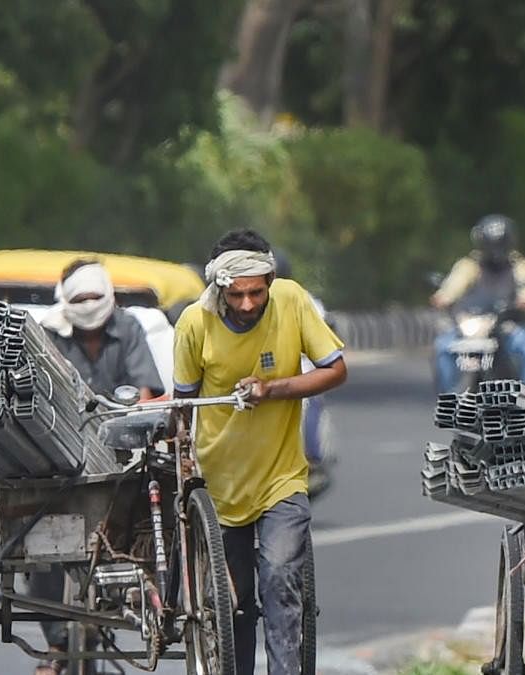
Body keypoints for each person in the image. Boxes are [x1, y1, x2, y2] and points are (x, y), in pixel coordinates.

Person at [173, 229, 346, 674]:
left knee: (280, 579)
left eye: (256, 292)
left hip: (281, 479)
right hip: (220, 485)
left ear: (270, 280)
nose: (248, 304)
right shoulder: (195, 324)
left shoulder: (291, 300)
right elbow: (182, 405)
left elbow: (335, 370)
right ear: (219, 290)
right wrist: (183, 459)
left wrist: (273, 389)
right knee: (234, 605)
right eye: (237, 295)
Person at [32, 258, 165, 675]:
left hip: (121, 453)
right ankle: (56, 645)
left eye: (95, 296)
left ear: (109, 296)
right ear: (66, 300)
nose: (88, 304)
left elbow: (145, 391)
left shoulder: (128, 328)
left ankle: (148, 591)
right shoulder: (49, 335)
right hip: (60, 454)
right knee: (43, 544)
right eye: (80, 298)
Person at [431, 214, 525, 392]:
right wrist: (442, 298)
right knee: (442, 348)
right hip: (470, 325)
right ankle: (448, 398)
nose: (495, 250)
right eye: (491, 245)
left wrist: (524, 301)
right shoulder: (469, 265)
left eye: (499, 245)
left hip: (507, 326)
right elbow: (452, 286)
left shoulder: (519, 265)